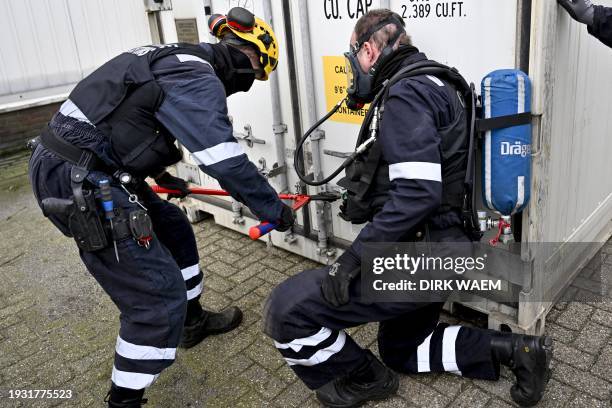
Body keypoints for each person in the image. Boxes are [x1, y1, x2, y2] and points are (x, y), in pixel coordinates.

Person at [263, 9, 553, 408]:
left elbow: (417, 194)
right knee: (402, 350)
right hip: (448, 250)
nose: (354, 72)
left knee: (286, 308)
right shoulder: (440, 82)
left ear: (368, 51)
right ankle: (518, 350)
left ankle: (366, 381)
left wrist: (352, 261)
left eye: (354, 61)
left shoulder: (406, 94)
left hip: (423, 259)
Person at [28, 7, 293, 408]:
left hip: (86, 164)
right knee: (156, 298)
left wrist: (160, 176)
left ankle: (192, 322)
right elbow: (223, 160)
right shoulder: (199, 77)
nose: (251, 81)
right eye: (257, 71)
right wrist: (272, 209)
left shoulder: (176, 57)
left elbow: (128, 119)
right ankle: (124, 400)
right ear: (249, 53)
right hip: (78, 177)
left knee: (172, 225)